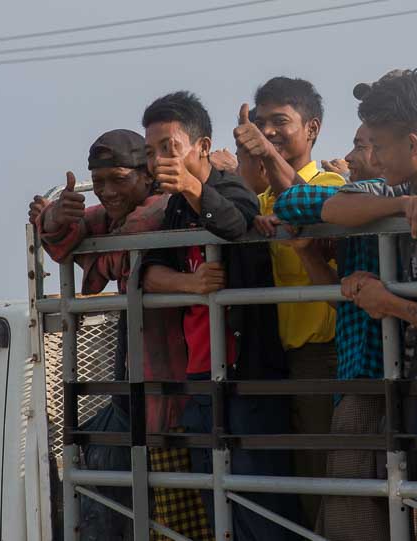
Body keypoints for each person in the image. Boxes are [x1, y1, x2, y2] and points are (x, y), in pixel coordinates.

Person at [283, 69, 417, 541]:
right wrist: (400, 206)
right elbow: (300, 203)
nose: (371, 156)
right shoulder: (403, 192)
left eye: (380, 145)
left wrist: (386, 301)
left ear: (412, 144)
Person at [29, 129, 213, 541]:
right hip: (142, 393)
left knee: (182, 516)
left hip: (176, 393)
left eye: (118, 179)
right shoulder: (119, 213)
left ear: (146, 175)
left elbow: (119, 247)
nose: (107, 192)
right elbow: (63, 236)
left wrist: (63, 226)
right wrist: (57, 217)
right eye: (99, 183)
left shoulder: (162, 207)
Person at [140, 91, 298, 541]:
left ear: (202, 147)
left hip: (247, 378)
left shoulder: (230, 187)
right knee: (217, 509)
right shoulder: (170, 205)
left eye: (168, 147)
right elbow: (149, 273)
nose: (157, 161)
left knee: (261, 509)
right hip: (198, 379)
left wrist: (193, 189)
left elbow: (236, 226)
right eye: (151, 152)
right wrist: (190, 284)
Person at [274, 121, 390, 540]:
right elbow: (339, 296)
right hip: (356, 373)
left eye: (361, 145)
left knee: (362, 507)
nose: (350, 156)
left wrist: (351, 189)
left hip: (381, 379)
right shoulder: (365, 207)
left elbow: (293, 199)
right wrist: (309, 254)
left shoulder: (382, 194)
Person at [242, 76, 344, 529]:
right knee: (286, 477)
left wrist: (262, 154)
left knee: (319, 473)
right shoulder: (258, 197)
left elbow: (301, 203)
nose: (269, 132)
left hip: (321, 355)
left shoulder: (331, 183)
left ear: (313, 129)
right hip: (274, 356)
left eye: (280, 121)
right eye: (261, 123)